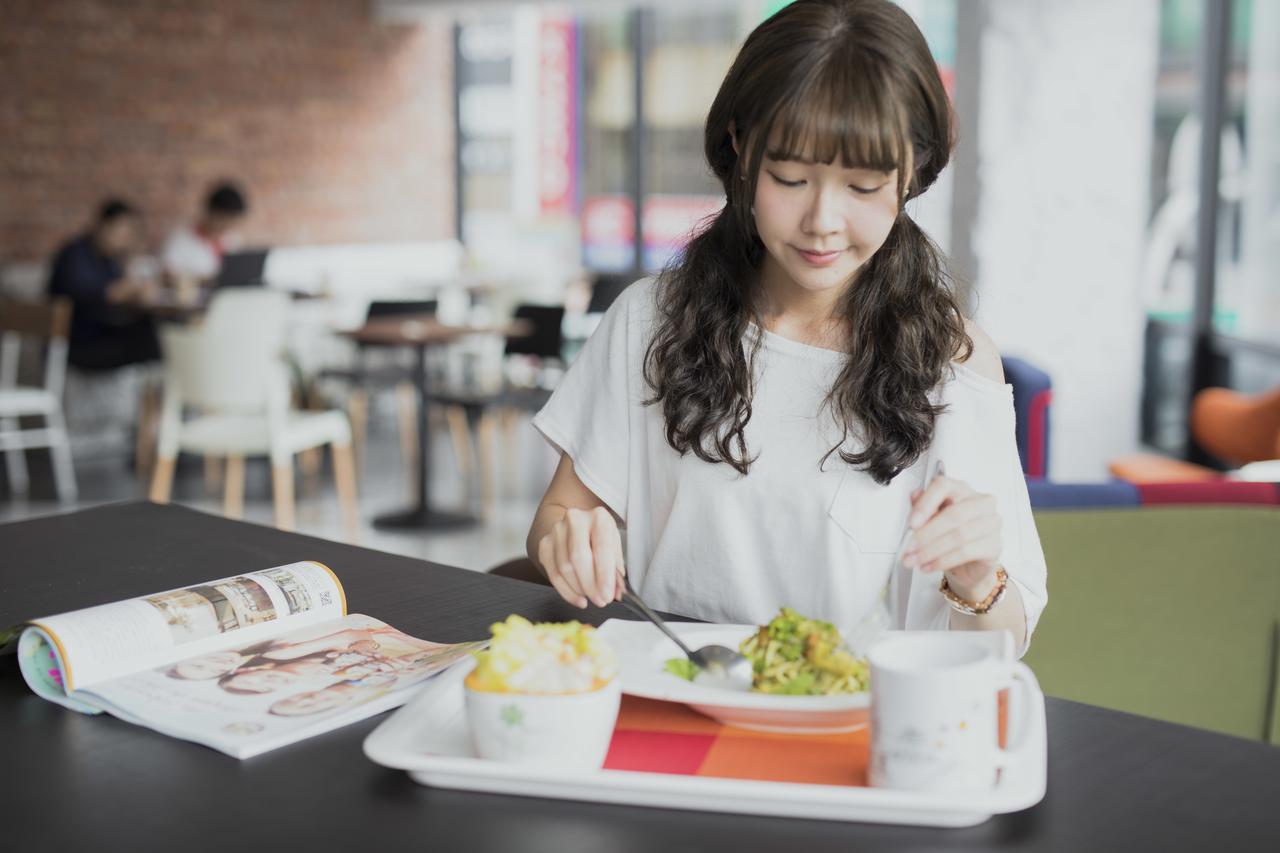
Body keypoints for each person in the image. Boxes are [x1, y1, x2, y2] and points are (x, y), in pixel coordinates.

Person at [526, 0, 1048, 653]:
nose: (822, 220)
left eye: (862, 187)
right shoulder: (650, 320)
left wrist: (977, 576)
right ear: (742, 146)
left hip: (858, 725)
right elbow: (559, 512)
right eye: (791, 178)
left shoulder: (954, 361)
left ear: (910, 173)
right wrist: (566, 538)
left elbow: (1004, 637)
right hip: (676, 702)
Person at [46, 198, 161, 370]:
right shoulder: (76, 254)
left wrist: (130, 265)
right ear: (103, 226)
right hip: (76, 340)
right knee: (146, 341)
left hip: (100, 333)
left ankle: (146, 394)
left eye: (131, 234)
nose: (126, 238)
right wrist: (131, 287)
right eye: (123, 231)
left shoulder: (110, 260)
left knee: (148, 329)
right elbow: (97, 294)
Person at [161, 181, 249, 284]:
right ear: (211, 212)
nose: (226, 228)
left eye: (231, 224)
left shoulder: (232, 239)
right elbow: (166, 275)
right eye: (223, 221)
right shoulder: (181, 239)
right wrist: (203, 280)